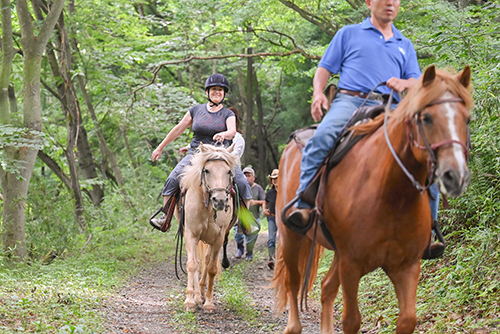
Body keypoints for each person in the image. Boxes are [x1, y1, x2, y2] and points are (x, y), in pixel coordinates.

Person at [287, 0, 444, 258]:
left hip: (394, 106)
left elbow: (416, 82)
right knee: (322, 138)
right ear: (369, 2)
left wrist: (404, 82)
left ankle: (429, 228)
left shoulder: (404, 44)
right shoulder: (348, 33)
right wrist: (318, 94)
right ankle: (303, 205)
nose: (390, 3)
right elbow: (324, 69)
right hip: (351, 100)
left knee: (428, 155)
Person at [150, 74, 252, 231]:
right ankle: (166, 217)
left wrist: (223, 134)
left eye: (220, 90)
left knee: (243, 183)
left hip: (221, 156)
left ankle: (244, 221)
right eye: (213, 89)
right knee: (172, 179)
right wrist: (160, 147)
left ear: (224, 93)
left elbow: (232, 131)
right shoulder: (195, 111)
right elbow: (178, 128)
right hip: (197, 155)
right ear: (207, 92)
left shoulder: (228, 114)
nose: (217, 92)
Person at [235, 166, 265, 261]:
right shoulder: (238, 187)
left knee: (252, 237)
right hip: (241, 216)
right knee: (238, 235)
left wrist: (254, 202)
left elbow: (265, 201)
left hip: (254, 217)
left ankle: (249, 253)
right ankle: (240, 249)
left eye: (249, 175)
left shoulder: (258, 188)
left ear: (253, 177)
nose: (247, 177)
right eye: (245, 175)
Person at [263, 169, 279, 270]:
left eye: (277, 178)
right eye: (273, 179)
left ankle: (283, 259)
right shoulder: (270, 192)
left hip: (282, 218)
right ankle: (271, 259)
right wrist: (264, 209)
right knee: (271, 239)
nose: (275, 180)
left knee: (283, 240)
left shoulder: (286, 191)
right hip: (272, 217)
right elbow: (265, 201)